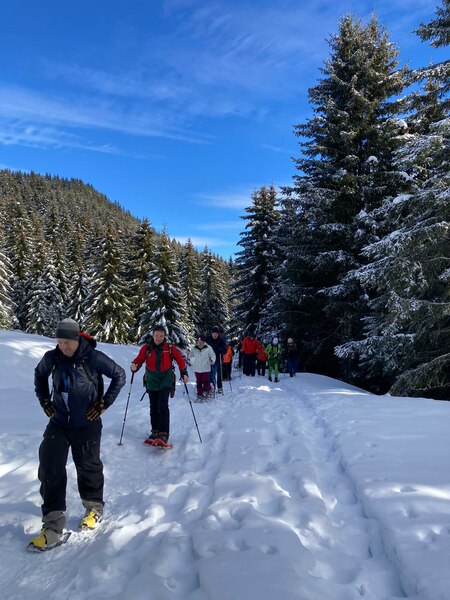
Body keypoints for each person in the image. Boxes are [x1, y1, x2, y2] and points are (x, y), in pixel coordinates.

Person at [30, 318, 126, 551]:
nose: (62, 346)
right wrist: (44, 400)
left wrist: (103, 404)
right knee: (50, 466)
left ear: (76, 338)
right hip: (59, 423)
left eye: (67, 342)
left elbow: (119, 375)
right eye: (59, 341)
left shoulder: (92, 357)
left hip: (87, 423)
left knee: (88, 466)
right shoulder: (52, 358)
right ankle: (52, 525)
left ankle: (93, 508)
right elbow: (39, 375)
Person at [131, 324, 188, 443]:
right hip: (151, 380)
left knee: (163, 405)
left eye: (161, 336)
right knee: (153, 406)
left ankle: (164, 433)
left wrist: (184, 372)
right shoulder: (146, 348)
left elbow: (180, 360)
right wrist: (135, 365)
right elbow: (139, 359)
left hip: (166, 380)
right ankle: (155, 431)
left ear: (164, 336)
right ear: (153, 335)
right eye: (156, 335)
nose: (158, 338)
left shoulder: (170, 348)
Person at [190, 334, 216, 399]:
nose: (199, 343)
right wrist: (192, 360)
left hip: (206, 367)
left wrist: (212, 360)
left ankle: (209, 389)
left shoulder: (208, 347)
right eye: (198, 342)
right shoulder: (194, 348)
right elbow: (191, 356)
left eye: (201, 342)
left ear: (204, 342)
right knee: (198, 381)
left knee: (205, 381)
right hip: (197, 368)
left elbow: (213, 355)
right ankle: (200, 394)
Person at [206, 326, 227, 394]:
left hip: (218, 358)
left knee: (219, 374)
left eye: (216, 334)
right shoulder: (208, 339)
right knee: (211, 373)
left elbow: (225, 349)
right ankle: (212, 387)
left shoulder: (221, 340)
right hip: (210, 359)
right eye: (213, 333)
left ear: (218, 334)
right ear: (211, 333)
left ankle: (219, 387)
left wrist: (221, 350)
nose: (215, 335)